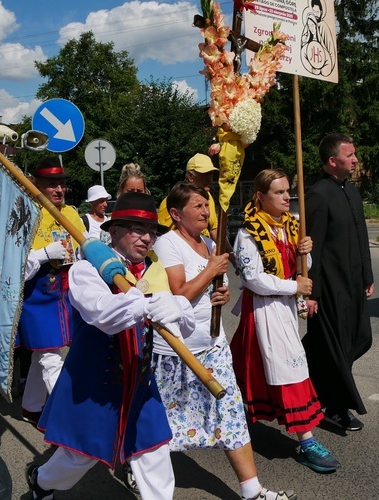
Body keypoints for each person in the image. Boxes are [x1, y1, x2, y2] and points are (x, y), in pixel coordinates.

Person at [27, 192, 195, 500]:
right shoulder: (86, 269)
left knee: (153, 449)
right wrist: (145, 305)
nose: (147, 239)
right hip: (95, 383)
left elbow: (182, 327)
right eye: (137, 229)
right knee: (81, 455)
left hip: (140, 382)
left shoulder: (154, 271)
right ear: (114, 231)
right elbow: (102, 313)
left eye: (152, 232)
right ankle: (41, 481)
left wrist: (179, 308)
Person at [153, 182, 297, 499]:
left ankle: (252, 490)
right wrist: (211, 270)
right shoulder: (168, 244)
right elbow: (179, 293)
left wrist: (221, 292)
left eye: (206, 204)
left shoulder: (208, 241)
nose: (205, 211)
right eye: (197, 206)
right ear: (176, 214)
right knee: (163, 421)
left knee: (231, 413)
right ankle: (138, 465)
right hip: (180, 351)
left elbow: (207, 291)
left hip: (213, 345)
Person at [231, 169, 341, 473]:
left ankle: (231, 420)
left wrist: (307, 253)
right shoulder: (247, 232)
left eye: (287, 191)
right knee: (289, 371)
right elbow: (254, 279)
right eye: (278, 193)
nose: (286, 197)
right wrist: (295, 287)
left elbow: (302, 270)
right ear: (260, 197)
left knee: (261, 370)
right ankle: (306, 440)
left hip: (286, 310)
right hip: (264, 311)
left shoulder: (292, 226)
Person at [303, 133, 374, 431]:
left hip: (354, 284)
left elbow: (361, 239)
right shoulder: (318, 195)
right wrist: (312, 292)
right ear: (333, 161)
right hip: (331, 288)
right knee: (337, 348)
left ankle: (307, 379)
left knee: (360, 339)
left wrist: (367, 276)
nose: (356, 160)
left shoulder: (352, 192)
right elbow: (312, 249)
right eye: (350, 155)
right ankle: (337, 407)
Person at [16, 157, 86, 425]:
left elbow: (83, 249)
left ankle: (31, 407)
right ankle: (67, 418)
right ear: (36, 184)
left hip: (65, 293)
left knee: (43, 353)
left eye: (62, 185)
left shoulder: (71, 213)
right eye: (51, 185)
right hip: (37, 295)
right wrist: (44, 253)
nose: (59, 190)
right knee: (50, 357)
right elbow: (16, 268)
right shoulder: (26, 214)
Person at [158, 153, 219, 239]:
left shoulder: (208, 197)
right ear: (191, 176)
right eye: (204, 174)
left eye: (211, 174)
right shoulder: (174, 200)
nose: (209, 179)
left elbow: (214, 229)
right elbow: (162, 234)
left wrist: (230, 251)